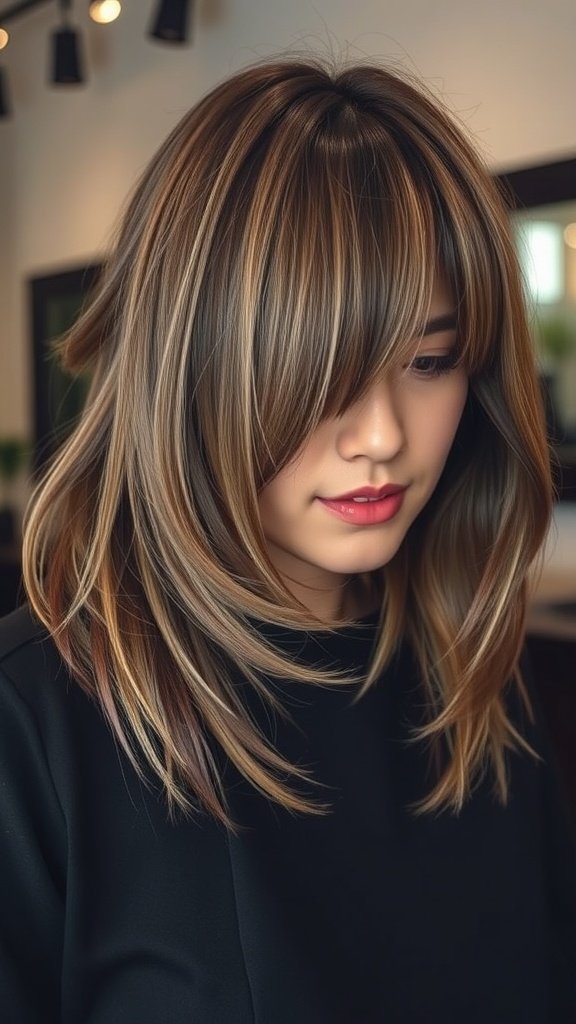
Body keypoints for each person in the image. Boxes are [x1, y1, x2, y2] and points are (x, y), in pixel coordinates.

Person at [0, 58, 575, 1024]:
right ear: (191, 364)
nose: (382, 435)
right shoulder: (37, 728)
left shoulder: (479, 682)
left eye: (428, 362)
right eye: (320, 366)